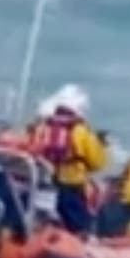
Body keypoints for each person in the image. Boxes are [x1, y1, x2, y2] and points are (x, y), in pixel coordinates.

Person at [27, 84, 108, 234]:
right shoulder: (81, 131)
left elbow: (31, 148)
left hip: (42, 180)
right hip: (71, 184)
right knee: (79, 225)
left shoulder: (43, 126)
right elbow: (97, 163)